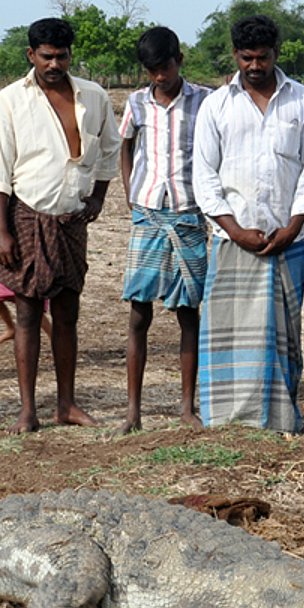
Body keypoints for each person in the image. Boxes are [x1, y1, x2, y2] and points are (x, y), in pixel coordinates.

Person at [0, 17, 121, 433]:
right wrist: (0, 231)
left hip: (71, 220)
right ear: (31, 55)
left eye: (62, 56)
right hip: (26, 215)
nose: (54, 64)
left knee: (67, 313)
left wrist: (98, 197)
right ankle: (28, 410)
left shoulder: (93, 97)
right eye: (46, 56)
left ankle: (66, 404)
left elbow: (111, 148)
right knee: (26, 313)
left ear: (70, 55)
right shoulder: (11, 100)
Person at [192, 16, 304, 431]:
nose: (254, 66)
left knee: (283, 339)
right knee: (229, 337)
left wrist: (292, 227)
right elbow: (205, 178)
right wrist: (234, 230)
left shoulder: (303, 102)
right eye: (246, 57)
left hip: (291, 241)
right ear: (235, 55)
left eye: (262, 57)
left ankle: (281, 419)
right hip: (232, 242)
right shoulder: (216, 106)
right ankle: (228, 422)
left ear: (276, 54)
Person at [118, 26, 212, 433]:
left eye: (166, 66)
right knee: (139, 314)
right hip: (148, 215)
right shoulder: (136, 104)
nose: (160, 76)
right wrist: (130, 192)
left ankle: (187, 407)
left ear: (180, 60)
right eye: (152, 69)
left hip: (190, 215)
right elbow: (125, 147)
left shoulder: (206, 101)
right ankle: (133, 412)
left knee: (189, 315)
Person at [0, 254, 52, 345]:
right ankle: (11, 329)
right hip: (12, 274)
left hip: (31, 273)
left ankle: (54, 339)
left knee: (35, 310)